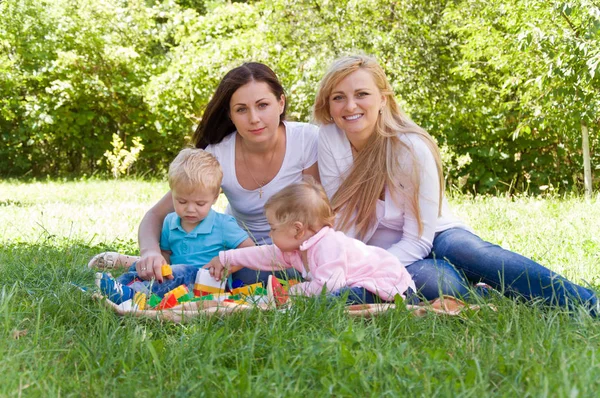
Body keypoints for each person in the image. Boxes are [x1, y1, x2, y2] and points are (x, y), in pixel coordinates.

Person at [313, 54, 598, 314]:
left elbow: (418, 239)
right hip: (378, 250)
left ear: (383, 99)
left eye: (362, 94)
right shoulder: (329, 139)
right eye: (338, 97)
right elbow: (346, 219)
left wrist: (368, 270)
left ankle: (587, 303)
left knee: (469, 252)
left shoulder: (411, 148)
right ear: (328, 103)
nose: (350, 106)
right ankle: (479, 294)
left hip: (434, 234)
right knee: (440, 281)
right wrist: (352, 265)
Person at [89, 62, 319, 285]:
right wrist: (150, 251)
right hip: (235, 252)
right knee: (218, 275)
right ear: (230, 114)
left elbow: (318, 211)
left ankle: (137, 264)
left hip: (293, 250)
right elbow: (155, 215)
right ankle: (147, 264)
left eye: (263, 105)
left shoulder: (307, 140)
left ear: (280, 103)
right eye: (241, 109)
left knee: (292, 273)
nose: (254, 118)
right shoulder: (219, 154)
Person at [207, 178, 417, 304]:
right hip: (365, 285)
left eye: (273, 228)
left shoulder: (327, 245)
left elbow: (330, 284)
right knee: (332, 297)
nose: (270, 235)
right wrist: (228, 257)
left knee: (335, 298)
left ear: (297, 229)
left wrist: (294, 292)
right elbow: (264, 254)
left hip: (390, 286)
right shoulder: (297, 247)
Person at [96, 148, 254, 304]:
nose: (190, 209)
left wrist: (226, 260)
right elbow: (165, 253)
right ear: (172, 194)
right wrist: (158, 266)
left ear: (214, 197)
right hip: (176, 281)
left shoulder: (223, 224)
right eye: (182, 201)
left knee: (182, 271)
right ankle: (114, 287)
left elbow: (250, 250)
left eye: (200, 203)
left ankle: (133, 295)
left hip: (209, 284)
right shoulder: (170, 222)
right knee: (142, 270)